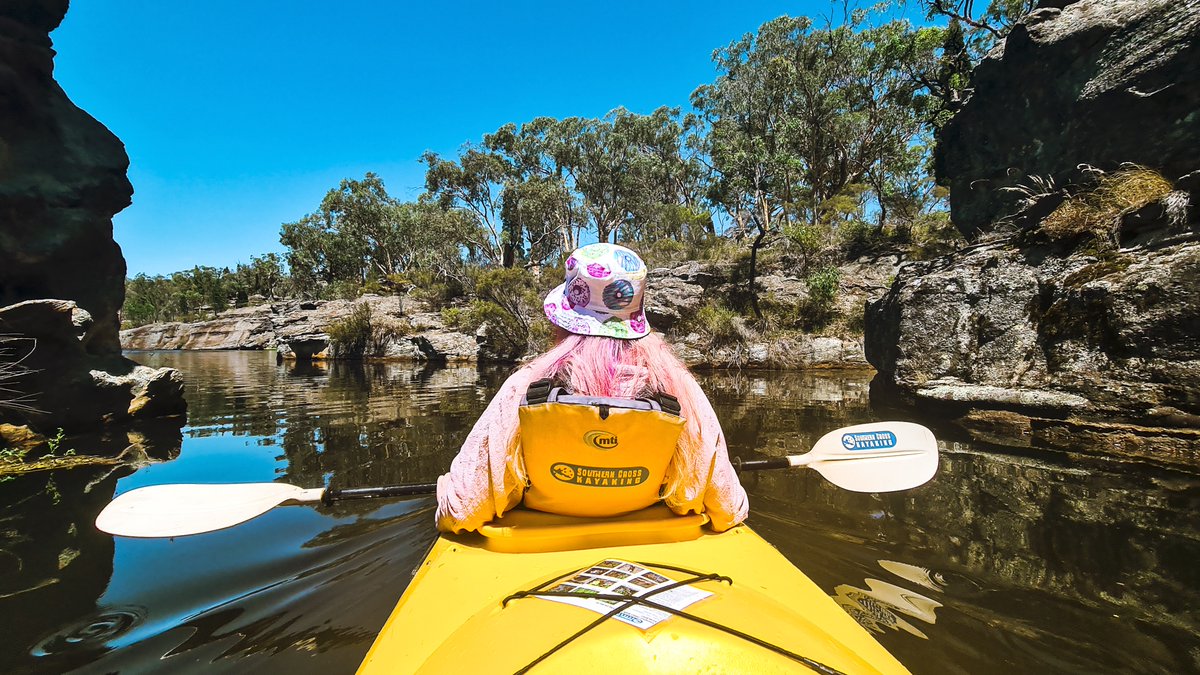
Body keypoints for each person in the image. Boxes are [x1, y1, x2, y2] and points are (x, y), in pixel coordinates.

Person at [435, 243, 748, 533]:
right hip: (647, 539)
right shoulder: (677, 387)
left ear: (562, 320)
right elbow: (729, 510)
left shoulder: (527, 385)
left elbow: (460, 511)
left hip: (543, 542)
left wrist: (444, 487)